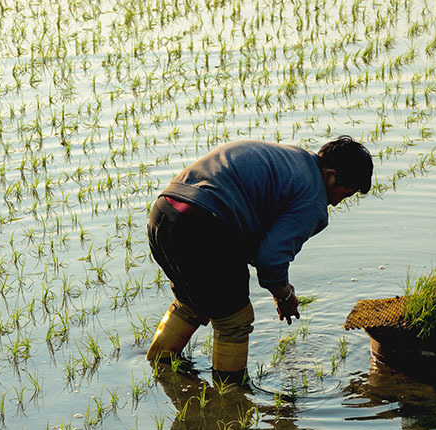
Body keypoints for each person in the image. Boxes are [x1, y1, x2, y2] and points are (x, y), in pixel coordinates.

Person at [145, 136, 373, 382]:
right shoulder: (312, 198)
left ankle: (160, 368)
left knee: (191, 304)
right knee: (235, 322)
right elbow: (270, 258)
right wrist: (283, 294)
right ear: (329, 175)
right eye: (345, 194)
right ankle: (230, 399)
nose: (338, 203)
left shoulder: (293, 159)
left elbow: (259, 244)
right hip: (203, 225)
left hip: (164, 214)